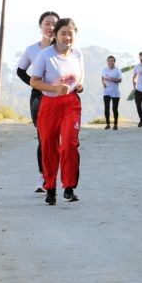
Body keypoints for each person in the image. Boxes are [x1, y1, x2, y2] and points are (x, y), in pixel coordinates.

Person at [30, 18, 86, 206]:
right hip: (50, 103)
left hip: (71, 103)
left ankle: (69, 188)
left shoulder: (78, 54)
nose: (67, 37)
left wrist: (80, 85)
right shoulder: (45, 55)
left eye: (71, 33)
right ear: (56, 35)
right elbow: (34, 81)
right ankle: (50, 188)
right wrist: (55, 89)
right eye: (63, 33)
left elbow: (81, 75)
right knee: (48, 145)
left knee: (70, 143)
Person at [16, 10, 59, 193]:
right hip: (39, 97)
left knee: (58, 138)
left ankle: (57, 177)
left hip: (60, 97)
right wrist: (37, 85)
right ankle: (43, 177)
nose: (50, 27)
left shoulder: (64, 49)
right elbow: (20, 71)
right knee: (44, 138)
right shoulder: (32, 49)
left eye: (54, 24)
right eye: (47, 23)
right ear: (40, 26)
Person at [101, 55, 122, 130]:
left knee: (114, 109)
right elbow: (102, 77)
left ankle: (115, 124)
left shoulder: (117, 70)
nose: (110, 62)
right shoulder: (104, 70)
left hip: (115, 92)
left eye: (112, 61)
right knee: (106, 108)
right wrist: (103, 83)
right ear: (107, 62)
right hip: (106, 92)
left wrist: (112, 79)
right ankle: (108, 124)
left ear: (114, 62)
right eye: (109, 61)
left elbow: (120, 80)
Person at [132, 52, 142, 127]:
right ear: (139, 57)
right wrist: (134, 86)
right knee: (138, 105)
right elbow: (134, 77)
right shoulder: (137, 67)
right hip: (138, 90)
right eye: (141, 56)